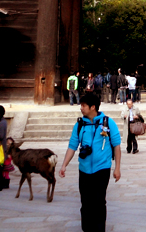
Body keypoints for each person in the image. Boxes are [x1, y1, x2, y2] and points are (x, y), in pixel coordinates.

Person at [59, 92, 121, 232]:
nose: (81, 108)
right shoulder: (80, 125)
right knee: (85, 202)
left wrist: (117, 168)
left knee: (99, 202)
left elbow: (116, 146)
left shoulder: (108, 122)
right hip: (84, 169)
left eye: (83, 105)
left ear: (93, 107)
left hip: (102, 168)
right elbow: (72, 146)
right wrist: (64, 165)